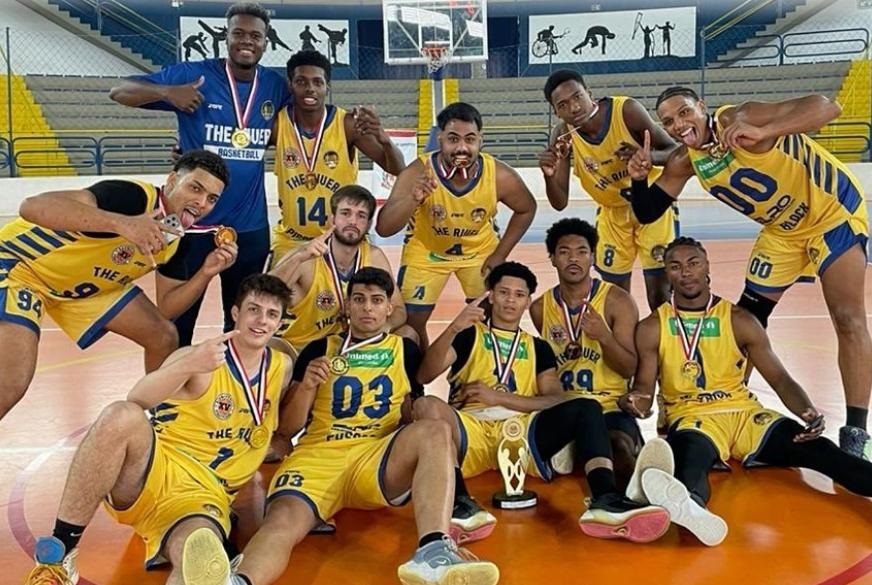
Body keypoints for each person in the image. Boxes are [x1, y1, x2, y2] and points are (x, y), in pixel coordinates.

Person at [627, 87, 871, 458]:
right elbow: (647, 211)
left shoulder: (739, 117)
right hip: (783, 233)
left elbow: (827, 106)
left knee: (847, 317)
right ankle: (721, 408)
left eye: (684, 113)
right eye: (668, 121)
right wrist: (638, 179)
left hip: (830, 215)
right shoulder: (686, 160)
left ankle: (856, 433)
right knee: (745, 321)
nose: (679, 125)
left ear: (702, 108)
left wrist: (767, 130)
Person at [227, 267, 500, 585]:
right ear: (347, 306)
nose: (367, 307)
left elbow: (420, 391)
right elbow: (287, 429)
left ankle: (433, 553)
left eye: (376, 300)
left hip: (376, 457)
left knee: (434, 430)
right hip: (319, 457)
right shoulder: (320, 350)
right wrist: (306, 387)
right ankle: (238, 581)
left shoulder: (404, 351)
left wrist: (454, 328)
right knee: (281, 522)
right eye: (359, 299)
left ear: (389, 308)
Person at [23, 274, 294, 585]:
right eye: (253, 310)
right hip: (152, 470)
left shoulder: (281, 366)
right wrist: (189, 363)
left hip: (201, 496)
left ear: (280, 322)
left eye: (271, 314)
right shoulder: (200, 357)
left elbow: (281, 425)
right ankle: (62, 552)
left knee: (201, 558)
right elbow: (138, 398)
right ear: (235, 313)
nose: (261, 320)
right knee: (121, 415)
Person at [620, 237, 872, 546]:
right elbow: (644, 390)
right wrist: (636, 403)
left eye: (693, 263)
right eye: (675, 267)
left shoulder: (740, 320)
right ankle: (691, 507)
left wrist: (806, 410)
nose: (685, 273)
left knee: (823, 452)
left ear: (707, 268)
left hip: (746, 416)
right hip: (693, 416)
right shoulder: (652, 327)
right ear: (667, 275)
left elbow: (780, 379)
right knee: (690, 459)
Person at [415, 261, 671, 543]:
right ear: (490, 296)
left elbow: (555, 399)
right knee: (426, 405)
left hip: (520, 435)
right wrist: (453, 328)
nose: (510, 300)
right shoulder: (468, 335)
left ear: (527, 302)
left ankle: (605, 499)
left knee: (586, 407)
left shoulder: (538, 348)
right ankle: (460, 504)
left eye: (518, 294)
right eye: (503, 292)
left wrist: (498, 397)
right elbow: (425, 374)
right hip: (470, 432)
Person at [0, 150, 233, 420]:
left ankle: (161, 422)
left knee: (163, 335)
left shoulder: (177, 239)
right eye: (195, 188)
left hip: (79, 287)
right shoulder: (133, 198)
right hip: (20, 266)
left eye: (211, 199)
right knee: (11, 381)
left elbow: (168, 308)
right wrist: (123, 224)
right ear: (171, 181)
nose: (200, 203)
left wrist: (206, 273)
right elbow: (31, 206)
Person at [109, 2, 290, 347]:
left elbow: (293, 129)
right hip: (188, 225)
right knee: (176, 326)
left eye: (256, 35)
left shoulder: (275, 86)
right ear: (227, 36)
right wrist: (167, 93)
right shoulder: (193, 75)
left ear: (267, 42)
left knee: (243, 323)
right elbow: (119, 90)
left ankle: (232, 394)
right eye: (239, 33)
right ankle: (174, 398)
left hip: (247, 229)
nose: (246, 41)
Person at [376, 102, 536, 348]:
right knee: (410, 322)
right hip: (426, 251)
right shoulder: (418, 171)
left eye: (470, 139)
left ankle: (480, 372)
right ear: (439, 139)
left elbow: (527, 208)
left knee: (489, 317)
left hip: (479, 252)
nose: (462, 147)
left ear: (481, 140)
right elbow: (384, 228)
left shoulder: (498, 175)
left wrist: (500, 254)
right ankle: (418, 383)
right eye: (453, 139)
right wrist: (413, 198)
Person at [540, 70, 677, 311]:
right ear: (556, 112)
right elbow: (559, 201)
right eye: (563, 104)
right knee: (614, 297)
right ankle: (623, 346)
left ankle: (661, 347)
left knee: (659, 293)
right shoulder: (563, 136)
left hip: (654, 207)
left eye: (577, 97)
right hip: (613, 215)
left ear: (589, 94)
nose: (573, 107)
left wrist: (647, 157)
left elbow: (675, 152)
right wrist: (548, 176)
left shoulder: (625, 111)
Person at [529, 218, 642, 484]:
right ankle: (572, 447)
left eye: (581, 251)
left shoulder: (618, 302)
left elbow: (629, 368)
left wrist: (604, 337)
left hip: (608, 403)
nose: (573, 259)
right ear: (553, 259)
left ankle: (629, 501)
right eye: (564, 252)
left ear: (593, 257)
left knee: (617, 446)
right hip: (565, 406)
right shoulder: (539, 308)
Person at [272, 50, 404, 261]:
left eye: (317, 82)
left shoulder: (347, 124)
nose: (310, 89)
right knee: (274, 292)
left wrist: (384, 139)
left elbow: (396, 169)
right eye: (301, 81)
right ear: (291, 85)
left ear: (327, 87)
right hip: (292, 239)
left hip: (341, 238)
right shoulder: (278, 125)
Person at [270, 185, 407, 355]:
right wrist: (297, 258)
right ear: (332, 219)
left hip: (351, 348)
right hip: (302, 349)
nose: (353, 221)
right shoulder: (306, 256)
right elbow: (261, 292)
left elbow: (399, 310)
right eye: (345, 213)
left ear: (369, 224)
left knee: (408, 336)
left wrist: (380, 331)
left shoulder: (374, 257)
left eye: (361, 216)